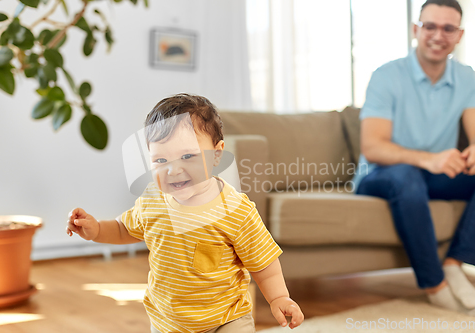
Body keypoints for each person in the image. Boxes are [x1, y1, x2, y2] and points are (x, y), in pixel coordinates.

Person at [66, 93, 304, 333]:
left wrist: (278, 298)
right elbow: (124, 228)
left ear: (217, 155)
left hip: (227, 319)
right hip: (168, 323)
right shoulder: (153, 200)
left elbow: (264, 262)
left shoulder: (236, 210)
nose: (173, 170)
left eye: (188, 156)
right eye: (161, 160)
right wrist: (95, 229)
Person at [353, 0, 475, 315]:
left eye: (448, 28)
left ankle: (455, 263)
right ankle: (434, 284)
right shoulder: (386, 76)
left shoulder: (466, 78)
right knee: (406, 176)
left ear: (459, 35)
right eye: (430, 26)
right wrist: (429, 160)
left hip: (433, 174)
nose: (438, 35)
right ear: (416, 30)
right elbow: (374, 147)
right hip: (381, 175)